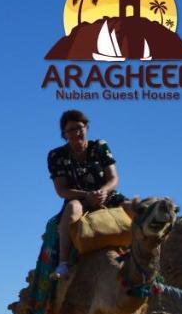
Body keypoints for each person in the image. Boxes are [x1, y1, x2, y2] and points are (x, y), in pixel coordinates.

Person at [49, 109, 125, 279]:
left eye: (80, 127)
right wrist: (86, 195)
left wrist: (103, 191)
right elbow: (62, 190)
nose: (77, 133)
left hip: (107, 194)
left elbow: (113, 178)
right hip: (79, 198)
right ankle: (63, 264)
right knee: (71, 210)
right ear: (64, 134)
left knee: (136, 209)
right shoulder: (57, 156)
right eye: (71, 130)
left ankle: (145, 262)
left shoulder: (100, 147)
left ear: (87, 127)